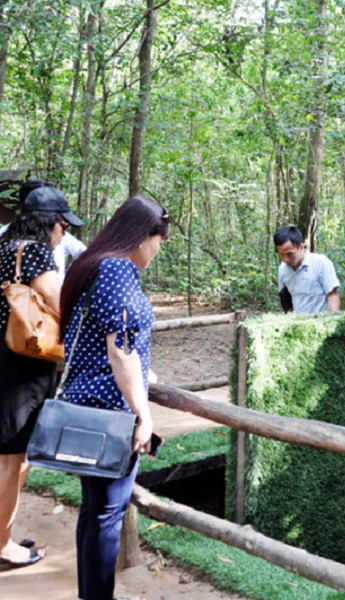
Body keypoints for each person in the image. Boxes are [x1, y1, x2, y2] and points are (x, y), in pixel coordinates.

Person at [59, 195, 169, 600]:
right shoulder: (118, 269)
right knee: (106, 514)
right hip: (110, 410)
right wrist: (144, 414)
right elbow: (119, 348)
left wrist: (144, 372)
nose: (159, 251)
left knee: (95, 512)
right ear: (144, 236)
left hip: (89, 404)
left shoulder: (92, 264)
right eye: (160, 241)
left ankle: (92, 593)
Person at [0, 186, 83, 568]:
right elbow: (59, 299)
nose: (64, 232)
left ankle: (4, 532)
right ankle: (2, 545)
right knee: (12, 460)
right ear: (48, 221)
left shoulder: (3, 245)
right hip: (22, 367)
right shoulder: (32, 251)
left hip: (8, 360)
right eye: (63, 224)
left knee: (14, 457)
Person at [0, 180, 87, 279]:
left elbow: (84, 254)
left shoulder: (7, 238)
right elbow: (52, 293)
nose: (63, 232)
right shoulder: (34, 249)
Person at [274, 225, 340, 314]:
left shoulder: (321, 263)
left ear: (301, 247)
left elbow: (333, 295)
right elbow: (285, 298)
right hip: (298, 324)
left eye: (289, 254)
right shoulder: (283, 269)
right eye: (281, 254)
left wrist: (332, 321)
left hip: (321, 322)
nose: (285, 259)